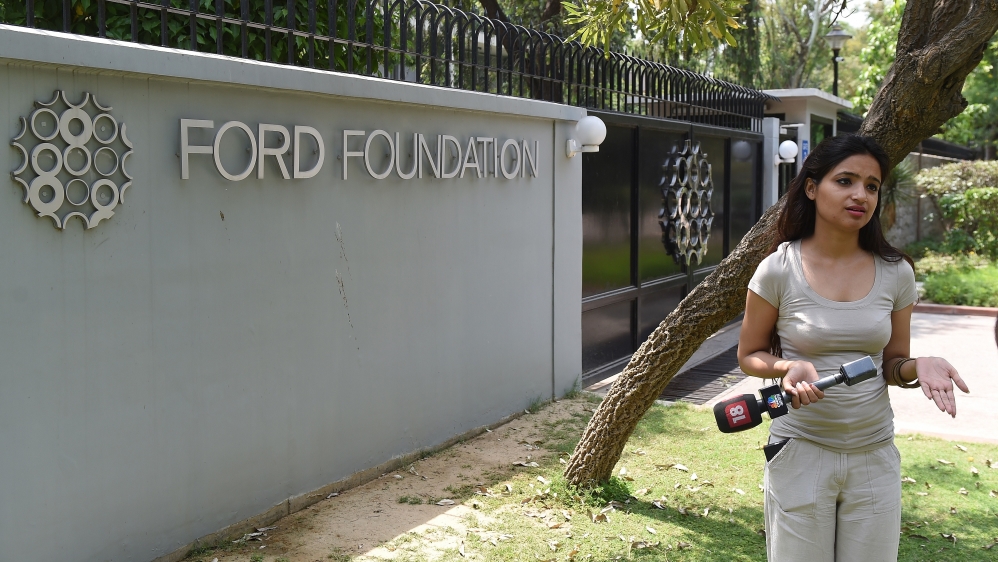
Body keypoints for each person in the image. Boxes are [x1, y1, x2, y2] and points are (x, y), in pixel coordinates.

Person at [736, 134, 969, 561]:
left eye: (872, 185)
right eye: (845, 181)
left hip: (874, 457)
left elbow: (893, 365)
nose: (860, 194)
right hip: (800, 451)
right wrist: (788, 367)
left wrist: (920, 365)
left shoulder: (895, 272)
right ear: (812, 187)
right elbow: (749, 354)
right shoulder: (779, 268)